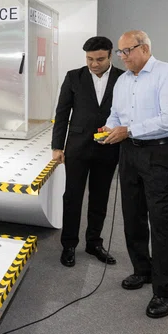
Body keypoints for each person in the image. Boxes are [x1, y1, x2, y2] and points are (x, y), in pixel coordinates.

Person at [102, 30, 168, 319]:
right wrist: (109, 128)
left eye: (128, 50)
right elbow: (116, 115)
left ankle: (164, 292)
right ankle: (142, 270)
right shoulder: (123, 81)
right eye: (120, 52)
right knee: (133, 214)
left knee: (161, 220)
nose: (123, 57)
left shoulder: (167, 74)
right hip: (129, 151)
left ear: (145, 48)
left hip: (162, 152)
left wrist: (129, 130)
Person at [52, 36, 124, 268]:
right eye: (90, 59)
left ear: (110, 55)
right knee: (72, 196)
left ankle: (94, 242)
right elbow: (62, 114)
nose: (94, 64)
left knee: (100, 197)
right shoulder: (74, 77)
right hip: (77, 146)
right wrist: (57, 146)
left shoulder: (123, 78)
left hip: (109, 147)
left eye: (100, 59)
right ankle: (69, 245)